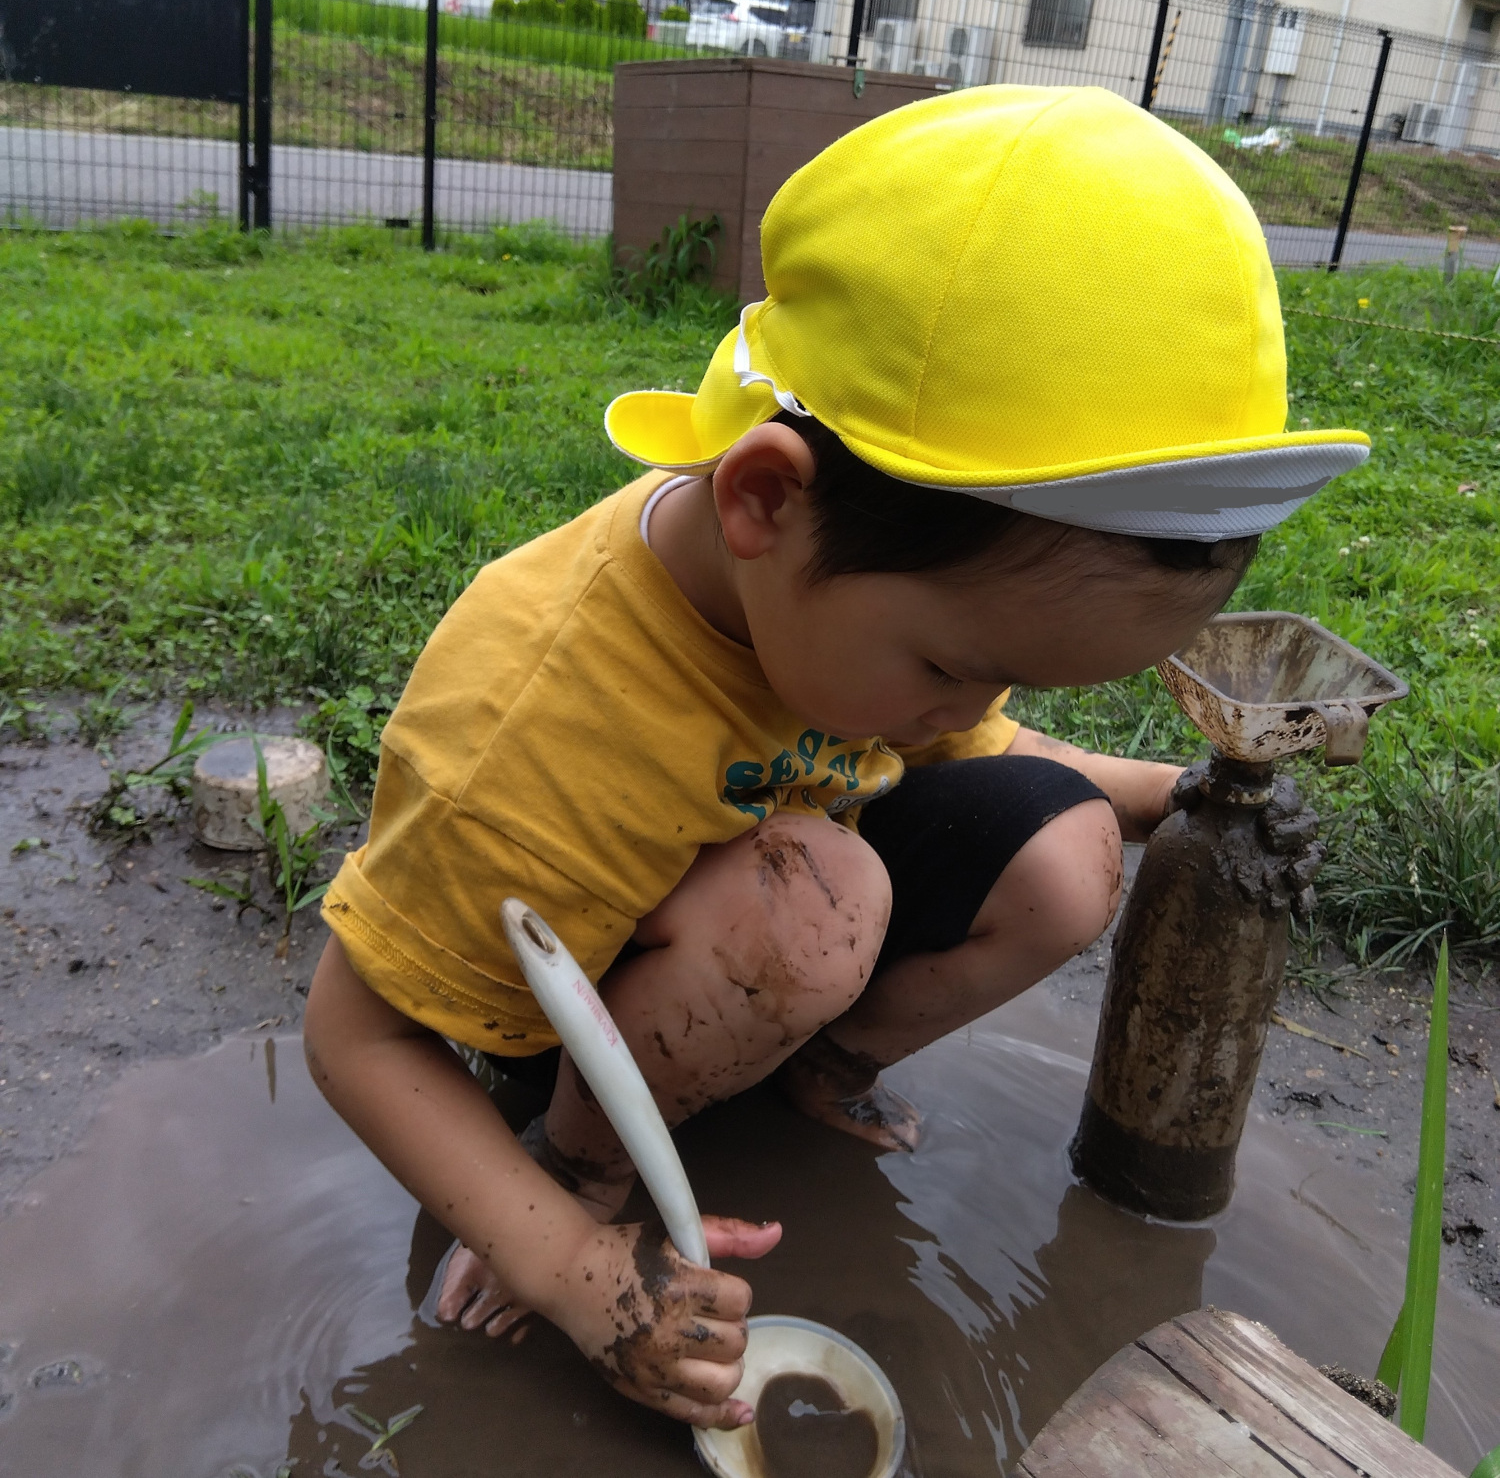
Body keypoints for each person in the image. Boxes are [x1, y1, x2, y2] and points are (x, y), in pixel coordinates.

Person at [303, 85, 1364, 1433]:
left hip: (767, 905)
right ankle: (579, 1162)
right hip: (570, 1009)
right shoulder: (539, 715)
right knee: (826, 901)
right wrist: (576, 1267)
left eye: (1004, 678)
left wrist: (1182, 798)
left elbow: (980, 745)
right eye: (947, 668)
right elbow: (354, 1032)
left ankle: (813, 1065)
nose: (964, 705)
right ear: (764, 501)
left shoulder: (861, 620)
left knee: (1065, 858)